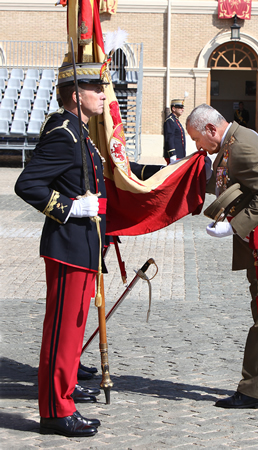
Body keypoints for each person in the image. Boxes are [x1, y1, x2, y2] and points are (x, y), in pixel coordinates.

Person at [186, 104, 258, 409]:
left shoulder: (241, 146)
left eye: (197, 138)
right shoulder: (230, 144)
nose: (197, 145)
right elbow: (223, 182)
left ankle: (255, 389)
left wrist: (233, 226)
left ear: (211, 129)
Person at [15, 62, 109, 437]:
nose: (103, 94)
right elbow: (28, 184)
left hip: (85, 246)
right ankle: (55, 410)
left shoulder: (81, 133)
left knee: (73, 329)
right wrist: (70, 208)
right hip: (67, 246)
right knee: (61, 333)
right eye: (95, 88)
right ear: (76, 95)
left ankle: (65, 391)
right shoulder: (64, 133)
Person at [163, 98, 186, 164]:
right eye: (180, 107)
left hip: (179, 154)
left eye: (183, 108)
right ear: (173, 108)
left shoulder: (175, 120)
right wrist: (172, 154)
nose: (182, 109)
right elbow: (170, 138)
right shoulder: (170, 121)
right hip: (174, 155)